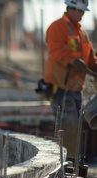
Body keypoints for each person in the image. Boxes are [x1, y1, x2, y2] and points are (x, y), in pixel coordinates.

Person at [44, 0, 97, 159]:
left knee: (75, 126)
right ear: (70, 8)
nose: (81, 14)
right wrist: (73, 61)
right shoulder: (57, 27)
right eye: (79, 11)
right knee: (68, 125)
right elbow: (56, 50)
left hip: (76, 88)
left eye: (83, 11)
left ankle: (72, 161)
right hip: (60, 87)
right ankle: (65, 163)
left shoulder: (82, 34)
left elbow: (91, 60)